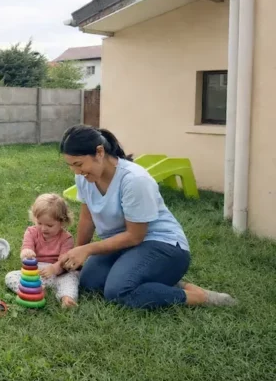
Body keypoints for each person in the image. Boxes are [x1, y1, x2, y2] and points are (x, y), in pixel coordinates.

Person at [57, 124, 236, 309]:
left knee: (118, 291)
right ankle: (165, 283)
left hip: (162, 246)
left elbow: (135, 236)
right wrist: (77, 253)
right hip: (123, 245)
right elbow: (88, 217)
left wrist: (88, 250)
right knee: (89, 282)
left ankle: (200, 297)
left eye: (78, 164)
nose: (76, 171)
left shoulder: (134, 180)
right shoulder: (84, 178)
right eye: (71, 166)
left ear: (99, 152)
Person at [5, 193, 80, 308]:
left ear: (62, 222)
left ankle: (66, 298)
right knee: (10, 276)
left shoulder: (66, 238)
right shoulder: (31, 232)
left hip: (59, 274)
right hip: (36, 274)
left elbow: (65, 262)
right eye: (39, 223)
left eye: (50, 225)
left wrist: (54, 268)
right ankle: (35, 292)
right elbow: (26, 247)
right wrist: (26, 253)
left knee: (71, 278)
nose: (43, 228)